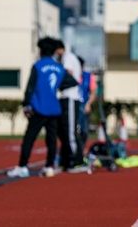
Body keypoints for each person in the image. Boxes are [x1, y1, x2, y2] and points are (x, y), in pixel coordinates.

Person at [7, 37, 79, 178]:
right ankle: (49, 166)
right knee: (51, 139)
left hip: (39, 108)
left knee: (29, 138)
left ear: (41, 50)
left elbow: (30, 87)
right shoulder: (59, 68)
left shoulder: (38, 66)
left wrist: (26, 105)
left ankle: (22, 166)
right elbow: (72, 82)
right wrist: (57, 87)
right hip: (54, 108)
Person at [55, 40, 85, 172]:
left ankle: (75, 160)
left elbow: (68, 74)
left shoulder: (67, 57)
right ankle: (67, 159)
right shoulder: (69, 57)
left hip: (70, 97)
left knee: (70, 130)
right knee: (64, 130)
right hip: (68, 97)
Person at [77, 56, 97, 149]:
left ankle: (81, 148)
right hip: (74, 105)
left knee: (84, 130)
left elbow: (93, 93)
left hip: (84, 105)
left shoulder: (89, 76)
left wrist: (88, 104)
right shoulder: (72, 75)